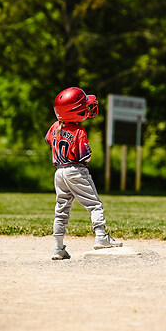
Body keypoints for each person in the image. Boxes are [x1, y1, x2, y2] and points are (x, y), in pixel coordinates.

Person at [45, 86, 123, 260]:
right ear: (75, 112)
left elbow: (49, 140)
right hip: (76, 170)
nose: (88, 108)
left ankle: (58, 248)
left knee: (61, 210)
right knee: (94, 205)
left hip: (59, 173)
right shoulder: (79, 131)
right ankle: (101, 236)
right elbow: (85, 157)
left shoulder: (54, 127)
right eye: (83, 106)